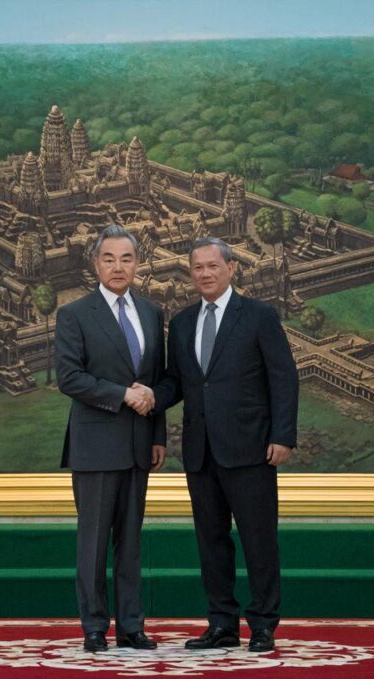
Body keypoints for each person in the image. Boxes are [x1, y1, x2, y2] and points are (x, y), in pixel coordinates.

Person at [143, 236, 299, 653]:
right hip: (201, 452)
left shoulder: (259, 316)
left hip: (251, 449)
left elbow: (283, 377)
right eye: (198, 267)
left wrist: (283, 435)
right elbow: (177, 382)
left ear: (231, 268)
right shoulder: (181, 323)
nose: (205, 274)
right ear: (190, 272)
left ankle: (263, 624)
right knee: (211, 543)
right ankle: (222, 624)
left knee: (258, 541)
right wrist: (151, 396)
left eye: (213, 266)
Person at [55, 224, 167, 653]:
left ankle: (132, 626)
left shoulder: (152, 313)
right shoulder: (75, 314)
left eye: (126, 258)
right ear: (95, 264)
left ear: (138, 264)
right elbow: (70, 378)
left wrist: (157, 434)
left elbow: (155, 380)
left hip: (140, 445)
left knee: (131, 543)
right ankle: (94, 627)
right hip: (96, 448)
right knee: (94, 542)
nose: (118, 267)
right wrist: (122, 395)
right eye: (109, 258)